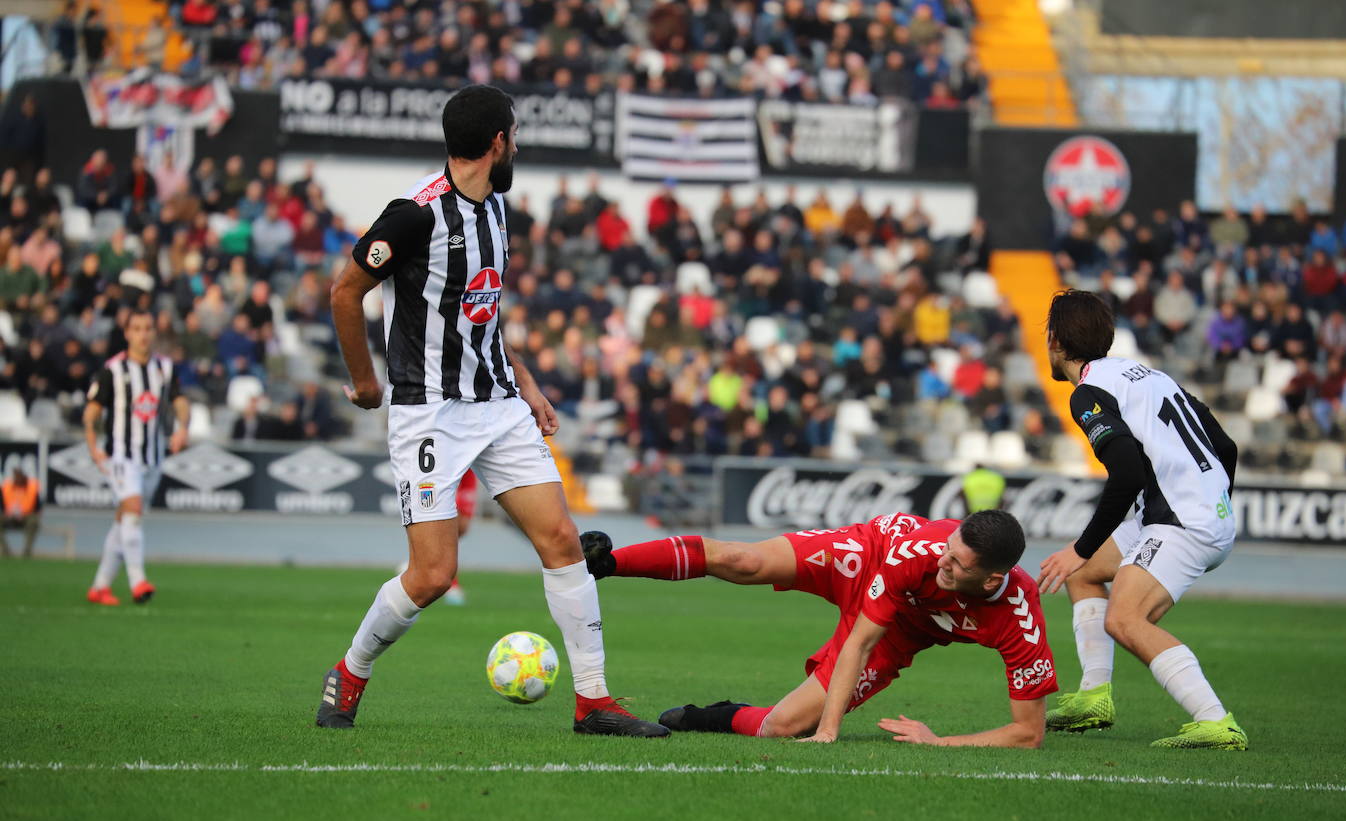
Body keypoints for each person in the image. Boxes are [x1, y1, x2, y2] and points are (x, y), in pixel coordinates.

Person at [316, 84, 666, 737]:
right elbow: (345, 291)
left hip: (498, 402)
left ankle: (594, 701)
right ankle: (351, 670)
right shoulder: (414, 215)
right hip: (429, 413)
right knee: (433, 574)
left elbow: (481, 313)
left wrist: (525, 381)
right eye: (515, 135)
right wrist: (366, 383)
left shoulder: (496, 208)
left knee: (562, 541)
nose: (517, 147)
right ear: (498, 142)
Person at [580, 511, 1055, 747]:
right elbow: (859, 641)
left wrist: (938, 742)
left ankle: (707, 715)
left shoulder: (1019, 617)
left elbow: (1028, 733)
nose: (943, 561)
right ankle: (608, 563)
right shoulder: (919, 554)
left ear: (993, 578)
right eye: (946, 549)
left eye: (956, 563)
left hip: (903, 632)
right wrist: (830, 730)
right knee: (744, 561)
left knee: (781, 726)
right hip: (869, 558)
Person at [1037, 289, 1246, 749]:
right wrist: (1212, 499)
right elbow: (1225, 446)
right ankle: (1094, 695)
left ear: (1055, 340)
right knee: (1084, 575)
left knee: (1125, 619)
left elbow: (1127, 472)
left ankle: (1216, 721)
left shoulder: (1089, 392)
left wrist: (1078, 546)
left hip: (1181, 521)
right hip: (1191, 513)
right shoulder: (1148, 375)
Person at [83, 310, 190, 605]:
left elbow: (180, 401)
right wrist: (93, 447)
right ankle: (138, 581)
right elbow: (91, 412)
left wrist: (183, 429)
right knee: (133, 510)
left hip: (152, 457)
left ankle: (100, 586)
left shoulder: (165, 369)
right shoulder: (113, 370)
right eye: (137, 329)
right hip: (121, 455)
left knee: (124, 521)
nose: (143, 334)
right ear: (127, 333)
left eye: (148, 328)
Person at [443, 469, 478, 605]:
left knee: (462, 527)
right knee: (447, 527)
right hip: (446, 462)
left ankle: (419, 562)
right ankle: (452, 583)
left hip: (471, 462)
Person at [1, 465, 41, 557]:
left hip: (26, 517)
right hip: (10, 516)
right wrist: (10, 514)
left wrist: (24, 515)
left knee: (33, 521)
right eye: (16, 475)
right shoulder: (7, 487)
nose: (17, 478)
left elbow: (38, 508)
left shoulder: (32, 488)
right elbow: (2, 506)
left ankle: (27, 552)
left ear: (23, 476)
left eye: (19, 475)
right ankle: (6, 551)